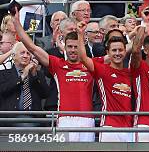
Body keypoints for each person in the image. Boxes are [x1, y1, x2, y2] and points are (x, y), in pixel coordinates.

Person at [12, 8, 95, 142]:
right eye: (70, 47)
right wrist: (16, 23)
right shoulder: (58, 64)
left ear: (81, 48)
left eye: (76, 47)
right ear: (64, 47)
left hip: (88, 120)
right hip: (65, 120)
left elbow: (119, 55)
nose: (73, 50)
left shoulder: (92, 66)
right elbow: (32, 47)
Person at [75, 21, 132, 142]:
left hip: (130, 128)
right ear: (108, 53)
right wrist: (80, 34)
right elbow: (83, 58)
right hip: (109, 126)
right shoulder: (102, 70)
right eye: (114, 50)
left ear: (125, 51)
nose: (117, 53)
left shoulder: (130, 73)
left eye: (120, 50)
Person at [0, 42, 51, 119]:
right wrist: (22, 76)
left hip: (34, 118)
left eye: (28, 53)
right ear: (13, 56)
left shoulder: (38, 74)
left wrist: (34, 75)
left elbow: (45, 94)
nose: (25, 56)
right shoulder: (4, 74)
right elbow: (3, 90)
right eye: (22, 53)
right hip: (10, 118)